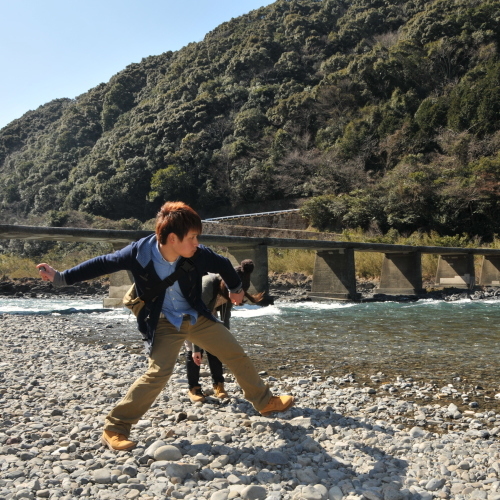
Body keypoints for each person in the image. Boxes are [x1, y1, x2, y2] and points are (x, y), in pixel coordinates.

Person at [37, 201, 294, 452]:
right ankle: (115, 428)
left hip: (195, 316)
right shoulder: (138, 254)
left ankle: (264, 401)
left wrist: (236, 288)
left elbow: (224, 264)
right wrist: (60, 278)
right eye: (192, 237)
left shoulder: (198, 254)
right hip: (163, 320)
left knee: (233, 352)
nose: (197, 243)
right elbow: (103, 263)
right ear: (172, 238)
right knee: (159, 373)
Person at [186, 259, 264, 403]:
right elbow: (195, 318)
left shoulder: (233, 289)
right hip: (189, 316)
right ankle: (194, 388)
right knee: (194, 352)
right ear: (226, 287)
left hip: (209, 314)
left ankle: (218, 385)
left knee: (216, 348)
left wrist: (225, 340)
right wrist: (197, 348)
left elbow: (225, 317)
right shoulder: (207, 285)